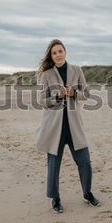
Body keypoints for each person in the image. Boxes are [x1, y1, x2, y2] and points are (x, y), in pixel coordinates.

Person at [35, 39, 100, 213]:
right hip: (54, 128)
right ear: (51, 55)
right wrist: (57, 95)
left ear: (65, 52)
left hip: (74, 126)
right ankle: (55, 199)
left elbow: (86, 94)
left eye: (60, 51)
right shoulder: (47, 74)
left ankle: (88, 193)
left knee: (85, 161)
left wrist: (73, 93)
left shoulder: (77, 70)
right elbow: (42, 100)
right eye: (54, 52)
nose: (57, 55)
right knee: (54, 165)